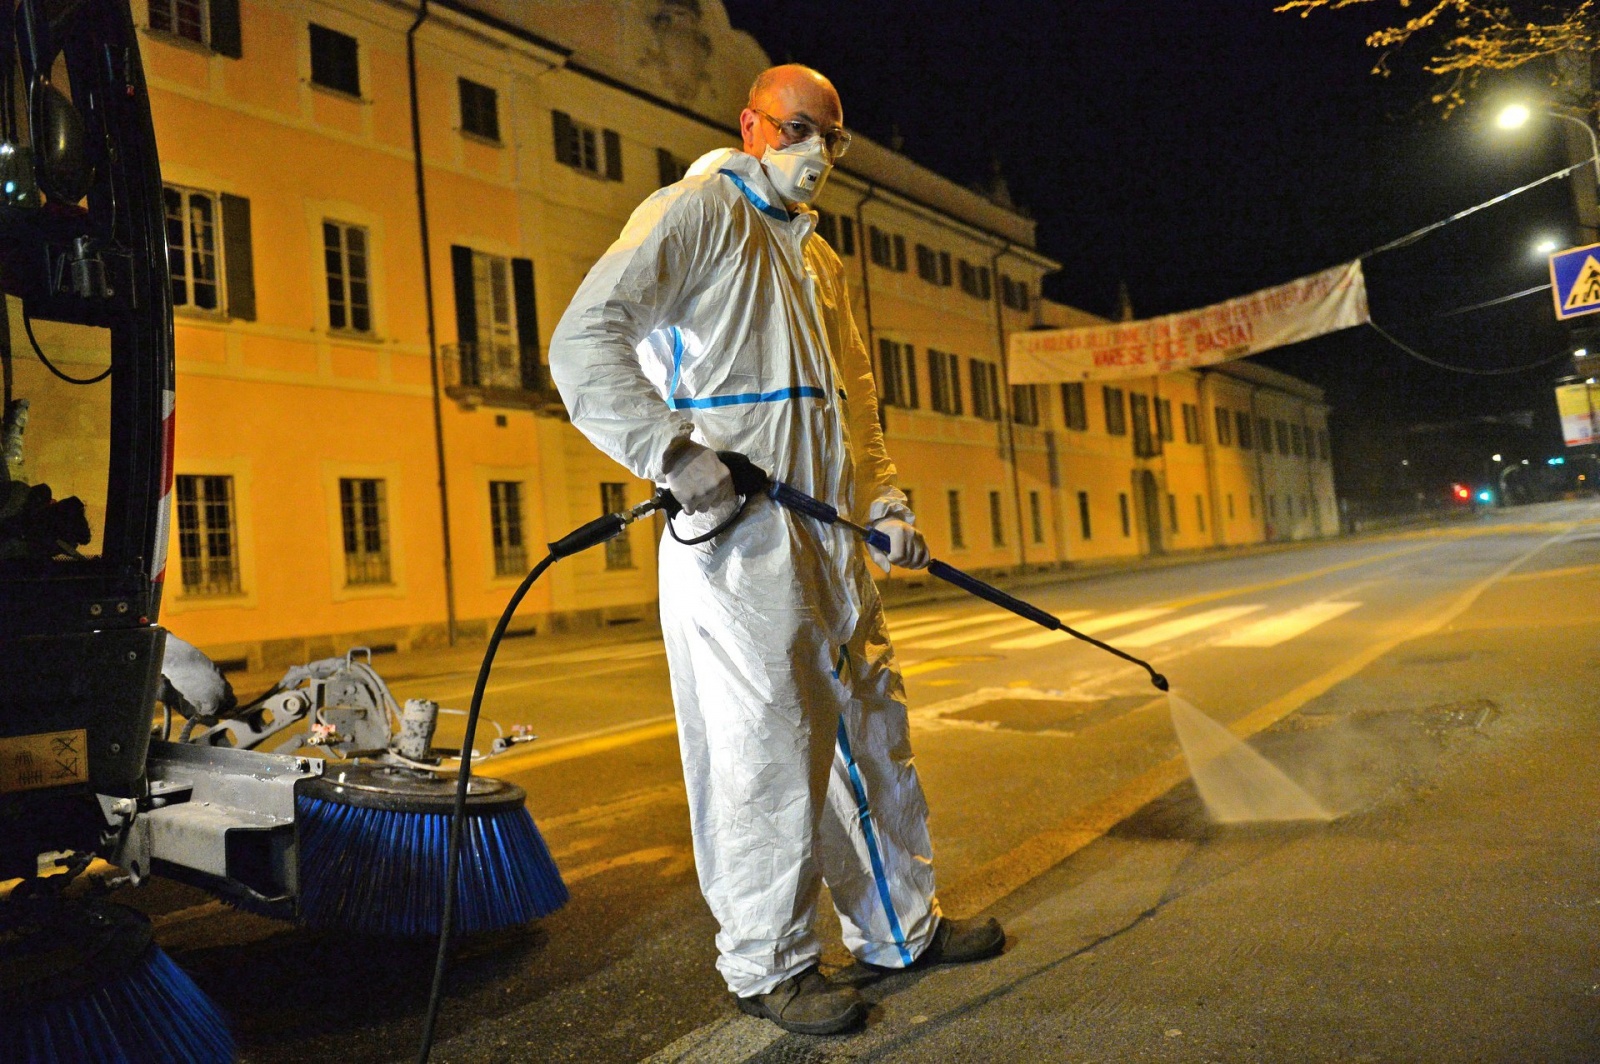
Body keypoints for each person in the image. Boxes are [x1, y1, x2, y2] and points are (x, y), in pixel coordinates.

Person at [548, 64, 1004, 1035]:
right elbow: (583, 339)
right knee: (762, 751)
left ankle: (900, 927)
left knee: (870, 726)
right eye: (800, 129)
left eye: (832, 137)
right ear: (753, 125)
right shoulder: (699, 211)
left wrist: (883, 495)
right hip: (740, 539)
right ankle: (770, 963)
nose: (819, 153)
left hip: (830, 533)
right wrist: (672, 451)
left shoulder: (817, 258)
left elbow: (854, 397)